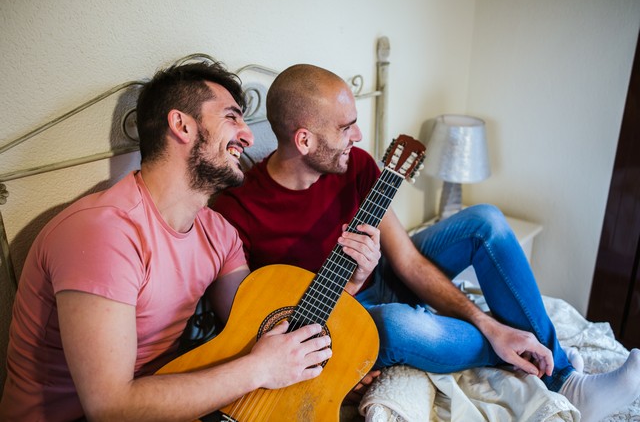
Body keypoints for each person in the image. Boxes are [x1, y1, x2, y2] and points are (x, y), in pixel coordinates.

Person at [212, 63, 640, 422]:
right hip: (331, 317)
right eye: (346, 128)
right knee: (396, 324)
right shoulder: (238, 210)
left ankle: (564, 376)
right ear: (304, 140)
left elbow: (410, 262)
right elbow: (253, 326)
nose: (359, 137)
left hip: (381, 276)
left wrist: (491, 325)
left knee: (485, 220)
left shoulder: (354, 165)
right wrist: (353, 284)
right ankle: (516, 355)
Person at [0, 61, 354, 421]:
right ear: (182, 125)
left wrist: (350, 287)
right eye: (232, 117)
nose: (248, 136)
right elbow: (109, 407)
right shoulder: (102, 232)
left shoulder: (219, 233)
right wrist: (257, 369)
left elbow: (259, 328)